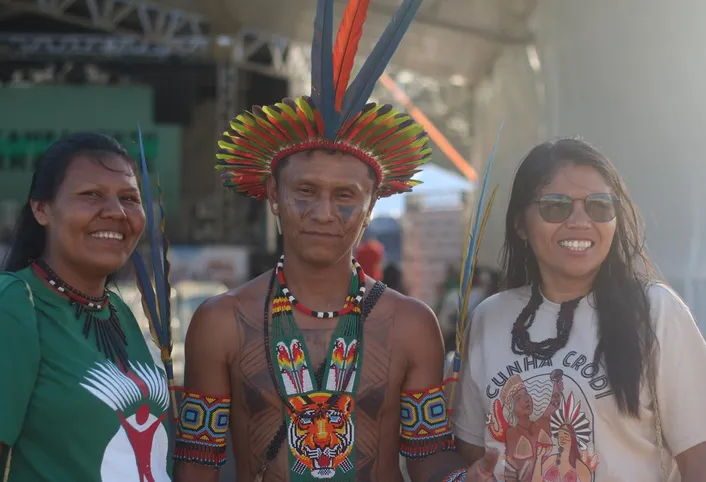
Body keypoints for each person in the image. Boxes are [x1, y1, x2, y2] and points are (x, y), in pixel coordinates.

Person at [172, 0, 497, 480]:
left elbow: (428, 453)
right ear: (273, 196)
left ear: (371, 207)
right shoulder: (220, 322)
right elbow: (197, 463)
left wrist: (465, 478)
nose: (324, 213)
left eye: (345, 196)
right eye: (305, 191)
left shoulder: (410, 324)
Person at [452, 138, 706, 481]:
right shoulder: (490, 317)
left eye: (599, 206)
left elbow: (705, 461)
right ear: (520, 225)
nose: (580, 221)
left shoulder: (657, 312)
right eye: (555, 206)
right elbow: (472, 448)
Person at [0, 132, 173, 481]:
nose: (117, 212)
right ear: (41, 208)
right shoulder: (10, 304)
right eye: (91, 195)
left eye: (129, 198)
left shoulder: (118, 311)